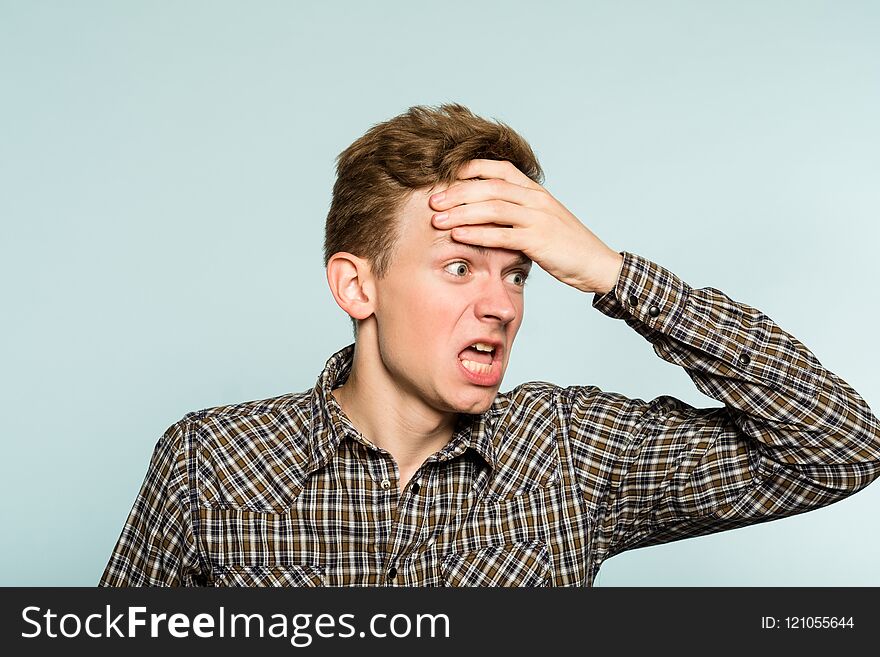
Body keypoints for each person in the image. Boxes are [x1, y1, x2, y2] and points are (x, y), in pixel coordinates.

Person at [100, 103, 880, 587]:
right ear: (356, 286)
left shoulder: (571, 451)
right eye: (460, 266)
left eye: (518, 274)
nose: (499, 304)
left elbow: (839, 446)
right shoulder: (210, 460)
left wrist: (611, 273)